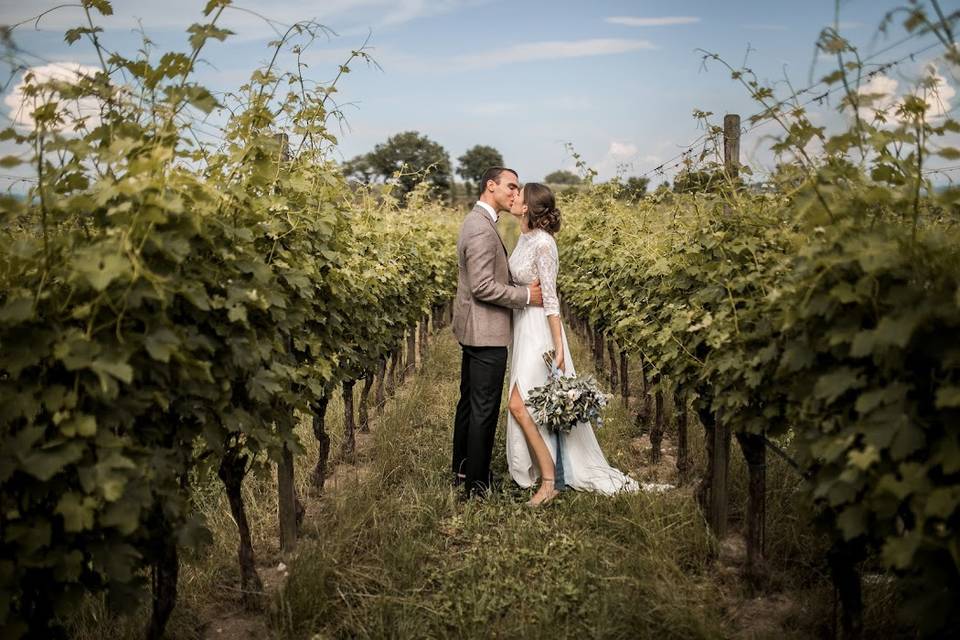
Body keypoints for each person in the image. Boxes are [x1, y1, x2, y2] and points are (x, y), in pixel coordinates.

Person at [505, 183, 639, 505]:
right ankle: (544, 471)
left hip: (540, 332)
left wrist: (560, 348)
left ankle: (550, 480)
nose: (513, 197)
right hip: (523, 327)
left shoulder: (544, 244)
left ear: (527, 207)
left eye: (518, 195)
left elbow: (551, 300)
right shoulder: (524, 238)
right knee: (530, 404)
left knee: (518, 404)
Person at [452, 167, 543, 498]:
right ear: (490, 186)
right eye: (511, 186)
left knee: (470, 404)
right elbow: (482, 286)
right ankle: (477, 483)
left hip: (476, 329)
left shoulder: (479, 223)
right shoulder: (480, 229)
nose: (514, 193)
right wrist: (526, 296)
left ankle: (463, 470)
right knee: (483, 408)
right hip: (485, 332)